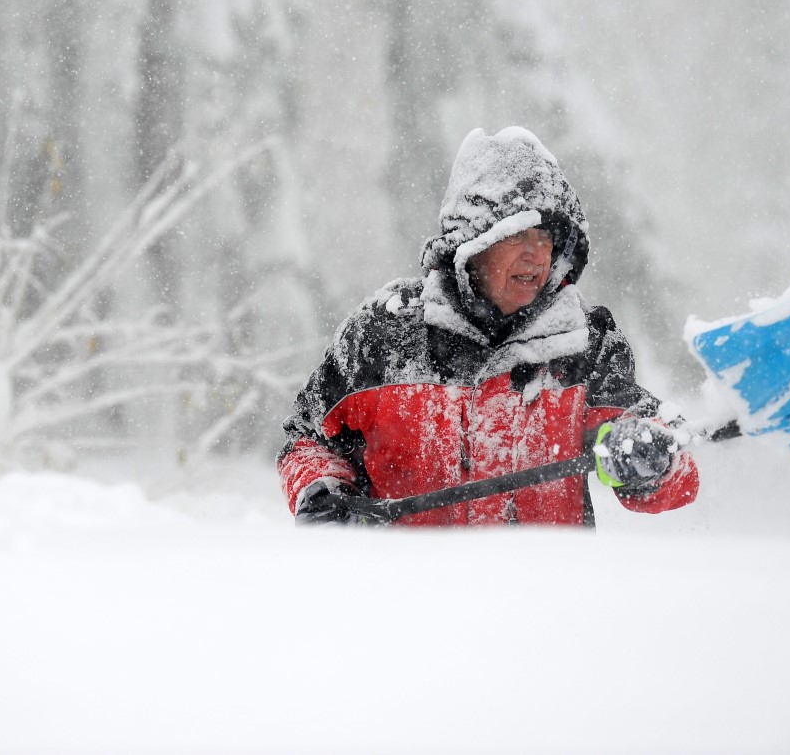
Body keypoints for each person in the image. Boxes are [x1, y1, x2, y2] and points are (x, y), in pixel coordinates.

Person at [278, 126, 699, 526]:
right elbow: (307, 438)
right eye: (519, 236)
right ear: (472, 243)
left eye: (547, 240)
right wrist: (323, 491)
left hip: (547, 596)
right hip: (404, 595)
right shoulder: (384, 336)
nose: (538, 256)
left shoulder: (584, 344)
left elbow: (665, 459)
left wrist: (650, 460)